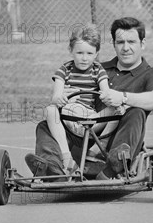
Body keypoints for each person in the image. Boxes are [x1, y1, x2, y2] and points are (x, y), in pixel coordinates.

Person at [25, 17, 153, 181]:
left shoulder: (150, 74)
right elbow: (65, 86)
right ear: (114, 44)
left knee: (136, 112)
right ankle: (53, 168)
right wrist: (65, 95)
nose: (126, 48)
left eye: (131, 42)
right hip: (82, 134)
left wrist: (123, 97)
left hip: (116, 138)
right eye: (120, 42)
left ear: (142, 44)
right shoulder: (95, 67)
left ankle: (113, 165)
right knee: (46, 124)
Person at [44, 24, 123, 174]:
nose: (84, 58)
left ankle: (96, 149)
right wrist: (60, 99)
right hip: (69, 117)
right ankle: (66, 157)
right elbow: (56, 96)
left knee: (118, 108)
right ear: (71, 51)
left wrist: (107, 96)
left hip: (91, 120)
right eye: (79, 53)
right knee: (50, 110)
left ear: (96, 53)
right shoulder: (64, 70)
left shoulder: (97, 70)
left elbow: (106, 91)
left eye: (89, 53)